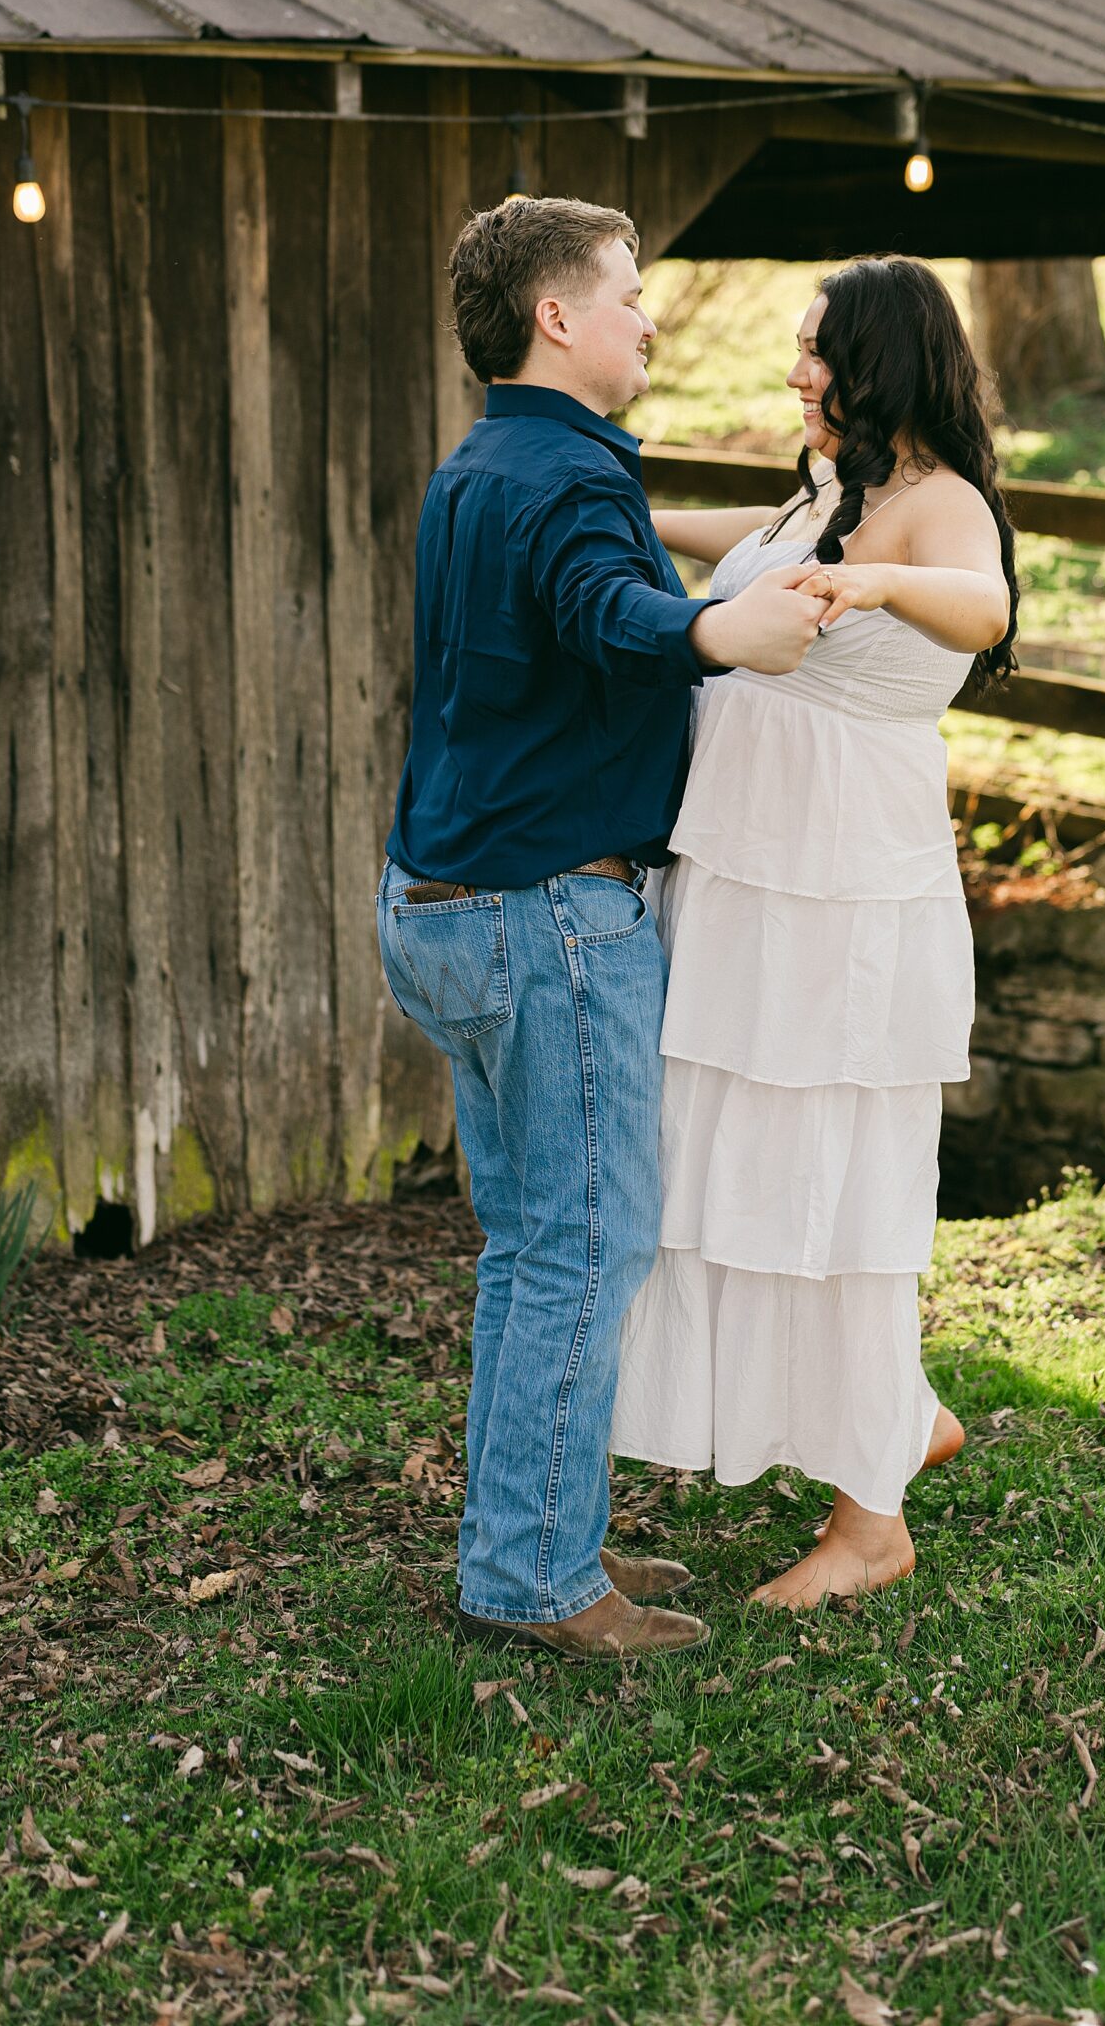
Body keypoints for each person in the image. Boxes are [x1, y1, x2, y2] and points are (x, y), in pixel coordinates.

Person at [377, 195, 832, 1659]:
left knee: (531, 1249)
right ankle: (538, 1582)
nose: (650, 315)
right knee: (583, 1249)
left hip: (444, 901)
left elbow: (572, 596)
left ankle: (530, 1535)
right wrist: (713, 632)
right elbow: (604, 610)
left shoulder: (487, 462)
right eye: (629, 292)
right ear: (556, 316)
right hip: (547, 917)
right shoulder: (572, 476)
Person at [610, 256, 1018, 1607]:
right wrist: (621, 507)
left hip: (838, 892)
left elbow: (986, 606)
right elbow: (755, 544)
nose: (797, 373)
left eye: (819, 352)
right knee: (732, 1161)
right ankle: (900, 1411)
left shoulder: (940, 506)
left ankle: (871, 1526)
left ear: (883, 362)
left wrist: (885, 586)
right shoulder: (831, 489)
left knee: (837, 1184)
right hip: (745, 876)